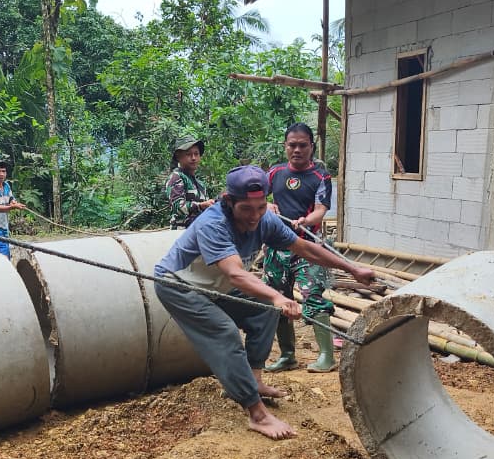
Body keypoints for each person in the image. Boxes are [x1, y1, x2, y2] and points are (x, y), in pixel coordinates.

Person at [154, 165, 375, 441]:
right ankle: (257, 414)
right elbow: (235, 274)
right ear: (228, 200)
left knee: (265, 312)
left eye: (261, 207)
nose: (254, 217)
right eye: (246, 209)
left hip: (213, 284)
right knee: (224, 332)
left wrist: (352, 269)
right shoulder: (213, 224)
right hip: (179, 285)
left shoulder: (264, 221)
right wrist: (277, 295)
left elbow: (304, 248)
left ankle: (254, 381)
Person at [264, 122, 337, 373]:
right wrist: (267, 205)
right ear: (285, 146)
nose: (297, 150)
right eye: (292, 145)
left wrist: (306, 221)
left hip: (308, 247)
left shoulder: (320, 176)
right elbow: (256, 197)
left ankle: (327, 355)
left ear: (311, 147)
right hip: (277, 247)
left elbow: (320, 211)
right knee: (278, 298)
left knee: (313, 297)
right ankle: (287, 355)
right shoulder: (274, 173)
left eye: (302, 145)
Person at [165, 134, 213, 228]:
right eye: (188, 154)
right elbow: (177, 207)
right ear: (178, 157)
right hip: (181, 233)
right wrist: (201, 205)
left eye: (196, 154)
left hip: (200, 231)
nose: (193, 158)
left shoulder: (200, 184)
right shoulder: (176, 177)